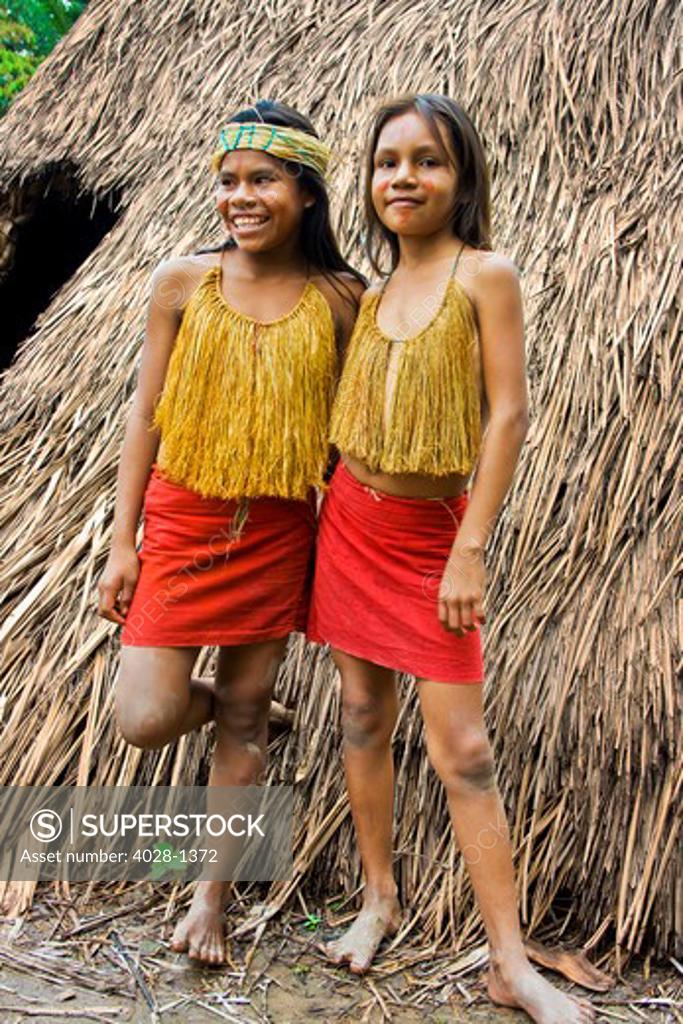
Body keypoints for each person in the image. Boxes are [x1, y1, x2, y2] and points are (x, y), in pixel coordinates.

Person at [307, 93, 595, 1024]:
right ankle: (379, 901)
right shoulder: (365, 289)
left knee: (462, 751)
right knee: (359, 716)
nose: (404, 177)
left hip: (434, 538)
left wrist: (469, 547)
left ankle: (509, 963)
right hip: (349, 523)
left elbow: (507, 414)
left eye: (426, 160)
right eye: (388, 162)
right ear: (369, 180)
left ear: (460, 176)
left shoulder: (486, 275)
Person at [97, 99, 365, 965]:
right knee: (146, 714)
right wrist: (121, 541)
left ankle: (208, 900)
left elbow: (350, 433)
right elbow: (145, 415)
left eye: (262, 181)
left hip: (280, 527)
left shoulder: (341, 298)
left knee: (244, 720)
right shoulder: (183, 281)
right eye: (229, 181)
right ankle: (239, 711)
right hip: (182, 520)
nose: (240, 197)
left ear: (306, 192)